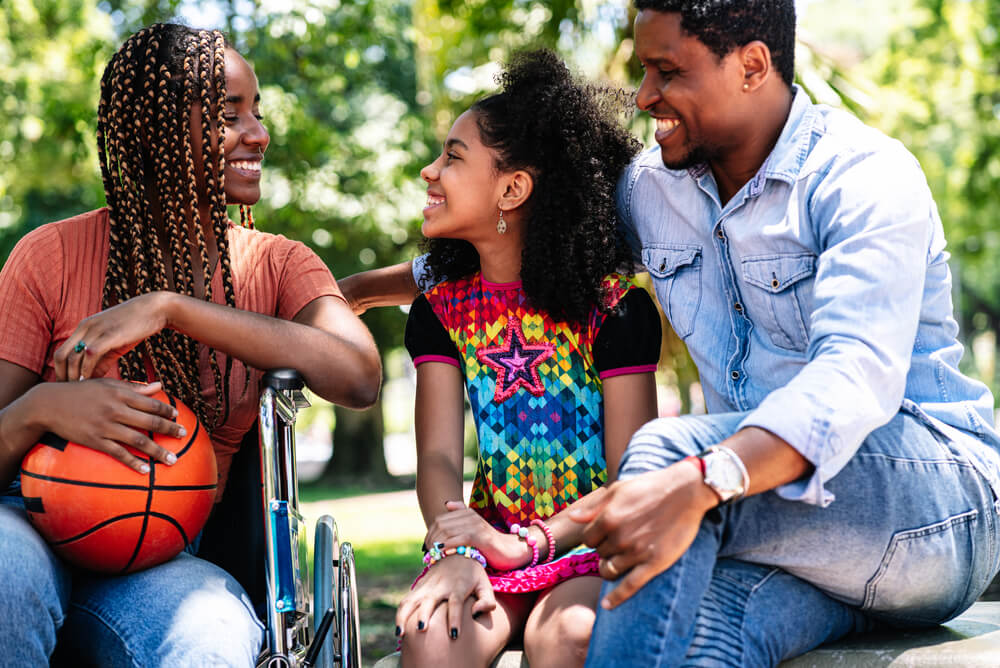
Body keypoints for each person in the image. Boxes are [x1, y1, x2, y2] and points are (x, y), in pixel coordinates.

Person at [342, 1, 1000, 665]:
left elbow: (853, 379)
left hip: (931, 513)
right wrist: (364, 290)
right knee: (693, 642)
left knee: (662, 451)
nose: (644, 94)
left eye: (667, 70)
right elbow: (534, 246)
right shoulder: (655, 192)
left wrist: (708, 477)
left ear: (751, 65)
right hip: (787, 534)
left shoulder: (862, 176)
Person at [0, 23, 381, 666]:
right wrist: (43, 409)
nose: (257, 133)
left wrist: (172, 310)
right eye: (231, 115)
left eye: (257, 112)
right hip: (30, 529)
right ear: (157, 134)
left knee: (213, 634)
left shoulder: (277, 265)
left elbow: (358, 375)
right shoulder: (49, 257)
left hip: (164, 557)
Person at [391, 50, 661, 668]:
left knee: (564, 634)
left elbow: (630, 479)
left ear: (512, 189)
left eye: (454, 158)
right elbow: (436, 457)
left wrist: (535, 544)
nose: (431, 172)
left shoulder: (614, 311)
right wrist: (455, 547)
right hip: (482, 543)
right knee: (432, 635)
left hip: (589, 545)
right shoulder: (440, 312)